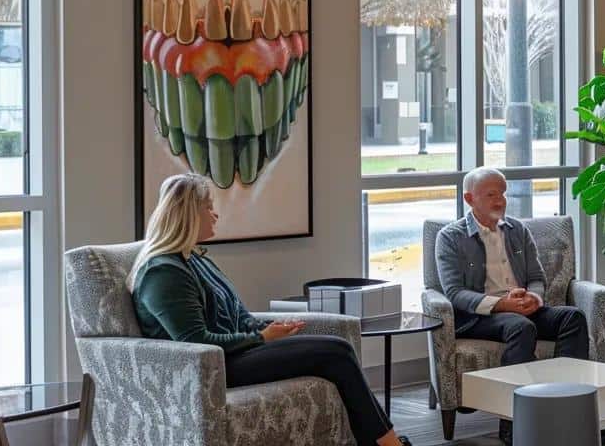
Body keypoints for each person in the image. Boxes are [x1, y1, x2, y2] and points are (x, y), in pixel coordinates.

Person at [129, 173, 407, 446]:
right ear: (189, 215)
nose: (215, 215)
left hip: (236, 355)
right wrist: (263, 338)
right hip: (214, 370)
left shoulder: (196, 260)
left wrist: (264, 328)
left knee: (338, 349)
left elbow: (237, 317)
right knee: (338, 352)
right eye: (208, 208)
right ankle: (388, 444)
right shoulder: (163, 272)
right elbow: (196, 342)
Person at [435, 167, 589, 366]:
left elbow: (536, 277)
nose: (500, 200)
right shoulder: (450, 237)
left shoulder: (517, 230)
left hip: (522, 308)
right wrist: (502, 305)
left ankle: (566, 387)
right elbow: (455, 293)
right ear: (469, 199)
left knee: (573, 317)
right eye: (491, 195)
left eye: (502, 193)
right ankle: (516, 393)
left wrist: (533, 297)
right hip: (480, 317)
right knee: (521, 326)